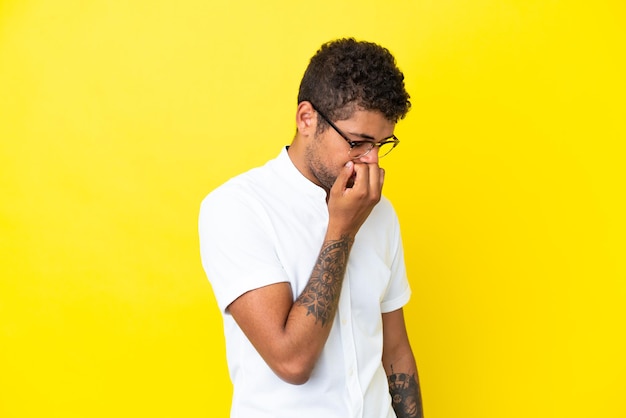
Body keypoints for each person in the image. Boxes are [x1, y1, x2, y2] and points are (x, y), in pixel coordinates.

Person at [199, 38, 423, 418]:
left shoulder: (380, 212)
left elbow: (395, 350)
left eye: (382, 144)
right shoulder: (237, 208)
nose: (371, 161)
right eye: (358, 142)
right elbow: (291, 361)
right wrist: (342, 230)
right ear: (307, 119)